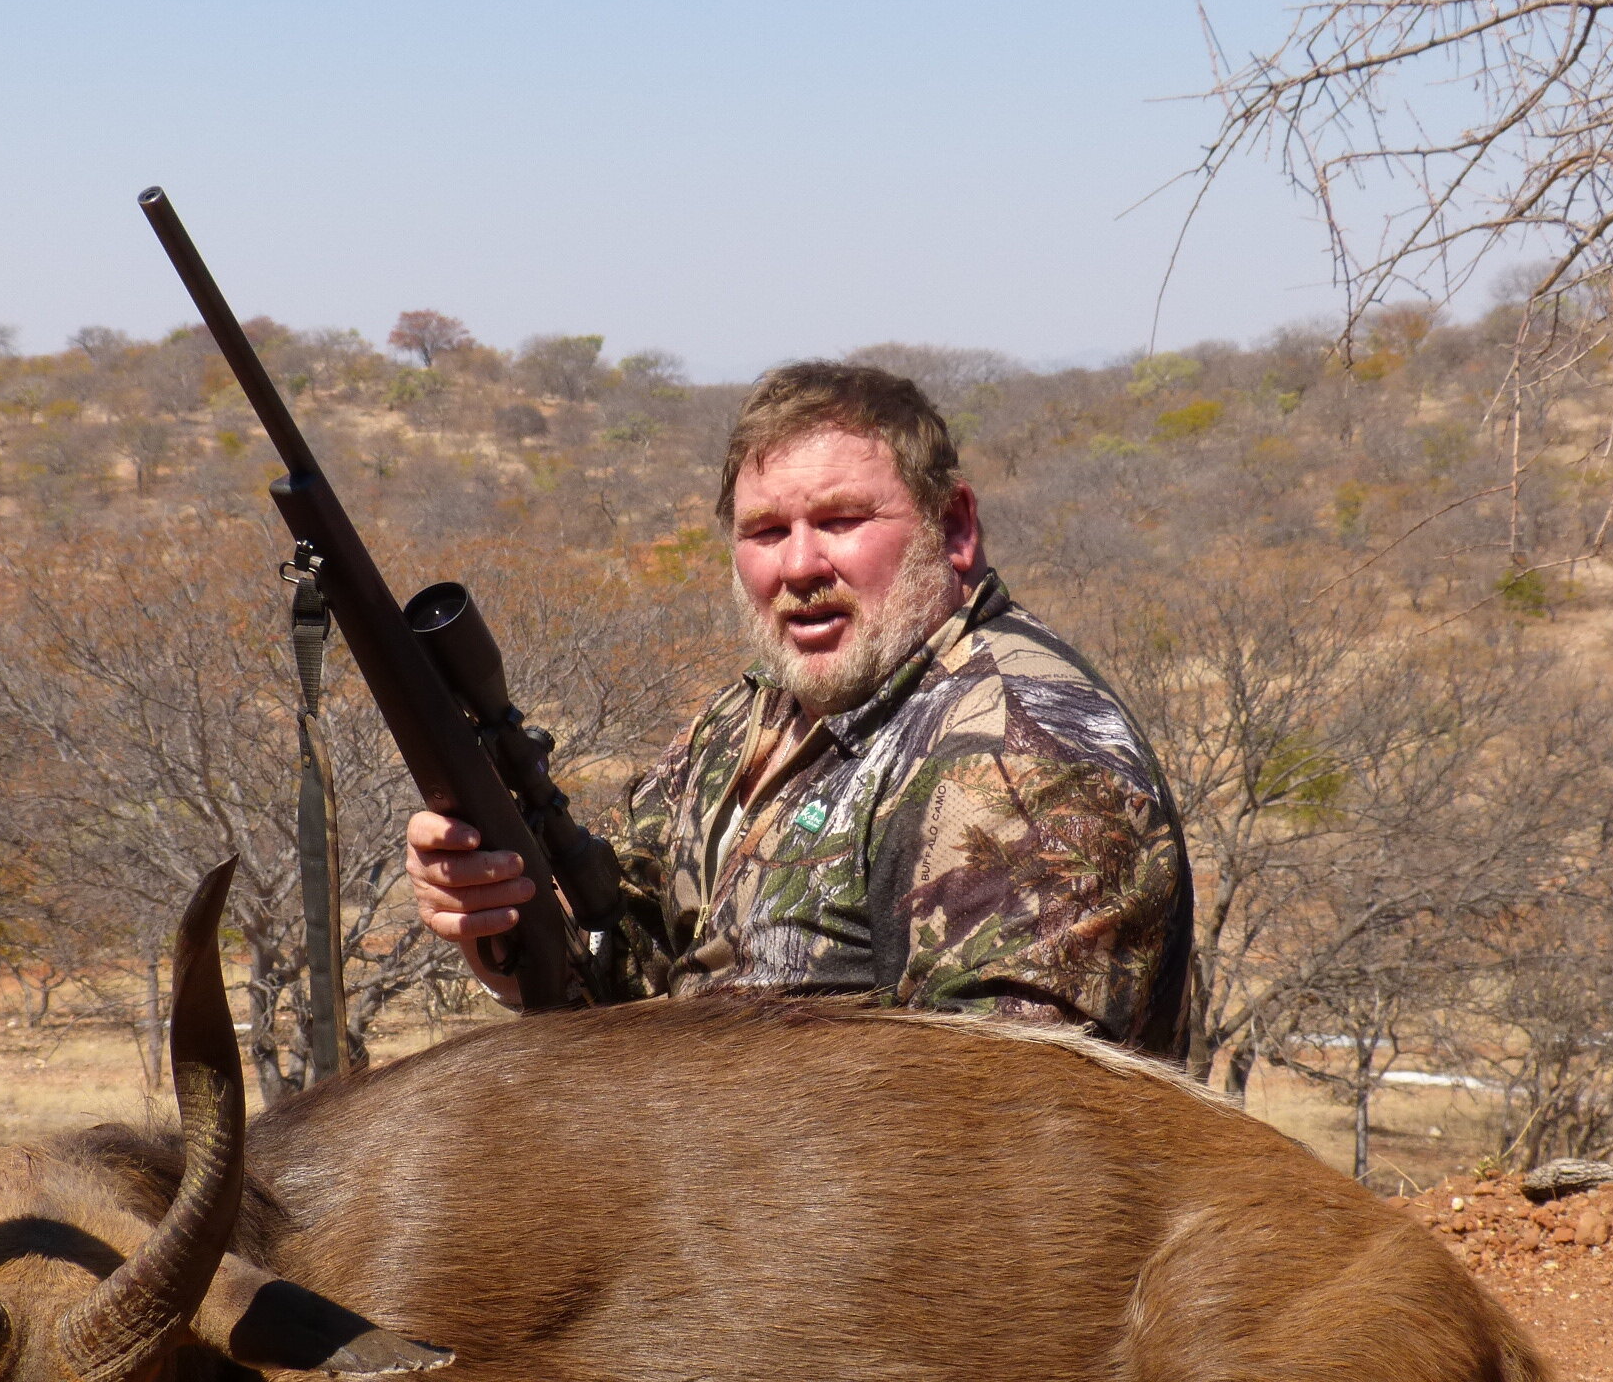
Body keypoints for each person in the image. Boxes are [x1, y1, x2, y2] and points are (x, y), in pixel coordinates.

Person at [407, 360, 1194, 1054]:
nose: (799, 565)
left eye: (842, 521)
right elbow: (623, 973)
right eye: (765, 530)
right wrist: (498, 921)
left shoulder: (1019, 756)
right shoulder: (745, 720)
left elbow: (1000, 1154)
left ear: (953, 526)